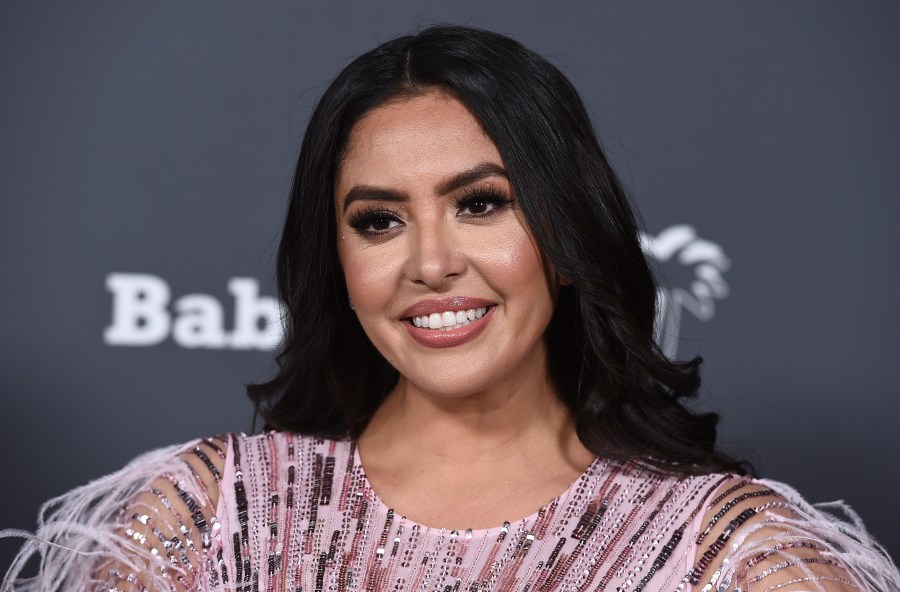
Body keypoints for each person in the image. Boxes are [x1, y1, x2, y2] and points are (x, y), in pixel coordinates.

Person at [2, 24, 898, 592]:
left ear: (568, 233)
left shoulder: (731, 561)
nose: (430, 263)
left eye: (481, 203)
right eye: (380, 220)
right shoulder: (203, 521)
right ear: (338, 260)